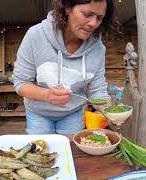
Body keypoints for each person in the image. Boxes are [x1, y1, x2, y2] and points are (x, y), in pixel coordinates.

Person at [12, 0, 116, 134]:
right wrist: (47, 95)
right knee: (40, 152)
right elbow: (21, 83)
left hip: (73, 113)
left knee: (72, 152)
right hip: (39, 113)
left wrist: (111, 112)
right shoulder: (35, 35)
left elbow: (97, 90)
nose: (93, 23)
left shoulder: (98, 49)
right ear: (67, 8)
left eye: (99, 18)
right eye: (87, 14)